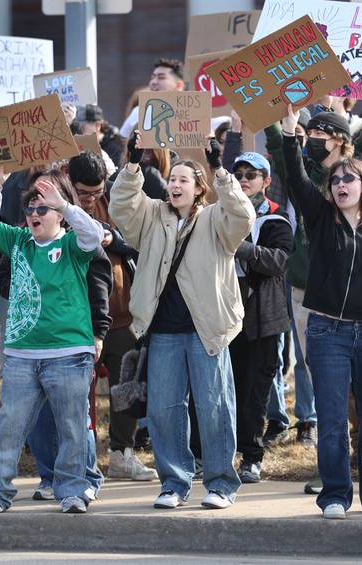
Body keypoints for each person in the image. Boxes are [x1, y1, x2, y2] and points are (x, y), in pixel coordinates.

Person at [109, 133, 255, 510]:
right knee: (163, 411)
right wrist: (131, 165)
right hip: (163, 332)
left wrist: (221, 170)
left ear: (198, 188)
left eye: (183, 179)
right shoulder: (153, 215)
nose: (174, 184)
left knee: (214, 406)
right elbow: (122, 206)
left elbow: (242, 216)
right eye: (171, 178)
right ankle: (174, 482)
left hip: (206, 330)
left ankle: (221, 483)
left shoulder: (215, 219)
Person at [282, 104, 362, 520]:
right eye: (336, 180)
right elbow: (295, 179)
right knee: (331, 419)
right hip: (327, 332)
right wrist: (288, 132)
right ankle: (335, 495)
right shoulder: (319, 218)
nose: (340, 184)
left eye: (349, 178)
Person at [0, 167, 104, 514]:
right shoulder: (17, 241)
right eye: (30, 208)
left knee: (72, 430)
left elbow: (94, 235)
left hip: (69, 354)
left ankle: (73, 491)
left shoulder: (73, 243)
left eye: (42, 208)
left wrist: (64, 205)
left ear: (59, 213)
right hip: (21, 356)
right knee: (8, 428)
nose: (33, 214)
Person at [67, 151, 157, 481]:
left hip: (119, 316)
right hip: (72, 321)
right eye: (84, 193)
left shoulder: (111, 204)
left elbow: (136, 242)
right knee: (74, 394)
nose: (91, 200)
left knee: (127, 386)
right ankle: (76, 459)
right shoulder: (57, 207)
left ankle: (122, 452)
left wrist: (112, 238)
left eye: (97, 192)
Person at [229, 151, 292, 483]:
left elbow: (278, 261)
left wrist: (242, 247)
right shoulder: (221, 214)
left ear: (266, 182)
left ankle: (252, 456)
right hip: (227, 316)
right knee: (227, 390)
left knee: (255, 392)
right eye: (238, 173)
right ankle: (220, 453)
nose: (243, 179)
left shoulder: (276, 219)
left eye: (251, 174)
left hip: (263, 319)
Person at [118, 59, 185, 141]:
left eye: (161, 77)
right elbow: (121, 143)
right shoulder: (139, 112)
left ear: (179, 86)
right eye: (153, 77)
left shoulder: (192, 115)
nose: (153, 82)